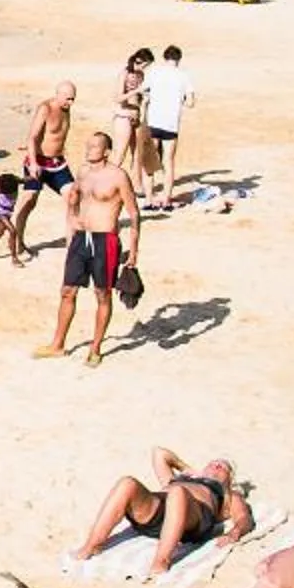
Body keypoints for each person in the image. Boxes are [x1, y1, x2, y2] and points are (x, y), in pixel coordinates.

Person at [35, 129, 139, 367]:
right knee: (67, 290)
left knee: (102, 294)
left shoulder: (118, 176)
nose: (88, 150)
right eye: (87, 146)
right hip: (82, 237)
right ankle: (57, 344)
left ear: (106, 151)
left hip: (106, 240)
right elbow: (74, 203)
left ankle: (95, 348)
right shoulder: (82, 172)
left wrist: (134, 251)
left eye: (93, 147)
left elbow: (133, 213)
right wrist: (71, 226)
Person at [72, 448, 256, 576]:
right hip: (159, 512)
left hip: (194, 519)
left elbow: (243, 518)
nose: (216, 466)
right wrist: (187, 469)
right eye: (213, 463)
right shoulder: (179, 479)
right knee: (127, 483)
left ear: (229, 479)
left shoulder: (228, 496)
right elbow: (159, 453)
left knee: (177, 493)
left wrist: (235, 533)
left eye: (223, 467)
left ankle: (161, 561)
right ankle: (91, 546)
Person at [10, 82, 79, 263]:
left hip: (57, 163)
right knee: (29, 200)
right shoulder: (46, 108)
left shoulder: (67, 109)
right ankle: (18, 243)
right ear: (58, 95)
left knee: (73, 198)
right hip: (38, 162)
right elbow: (32, 137)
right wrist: (32, 163)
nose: (70, 103)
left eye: (73, 99)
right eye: (68, 99)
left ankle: (72, 244)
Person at [139, 45, 195, 211]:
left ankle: (149, 200)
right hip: (171, 124)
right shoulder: (183, 76)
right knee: (168, 163)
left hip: (154, 121)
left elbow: (143, 90)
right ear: (179, 59)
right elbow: (191, 103)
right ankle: (166, 200)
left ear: (164, 57)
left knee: (149, 162)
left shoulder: (155, 72)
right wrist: (180, 101)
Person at [111, 48, 151, 185]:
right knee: (120, 154)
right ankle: (107, 182)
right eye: (146, 64)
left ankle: (136, 184)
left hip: (136, 116)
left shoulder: (141, 74)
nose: (146, 68)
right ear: (139, 61)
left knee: (138, 153)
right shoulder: (124, 73)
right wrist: (137, 90)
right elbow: (118, 98)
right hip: (123, 116)